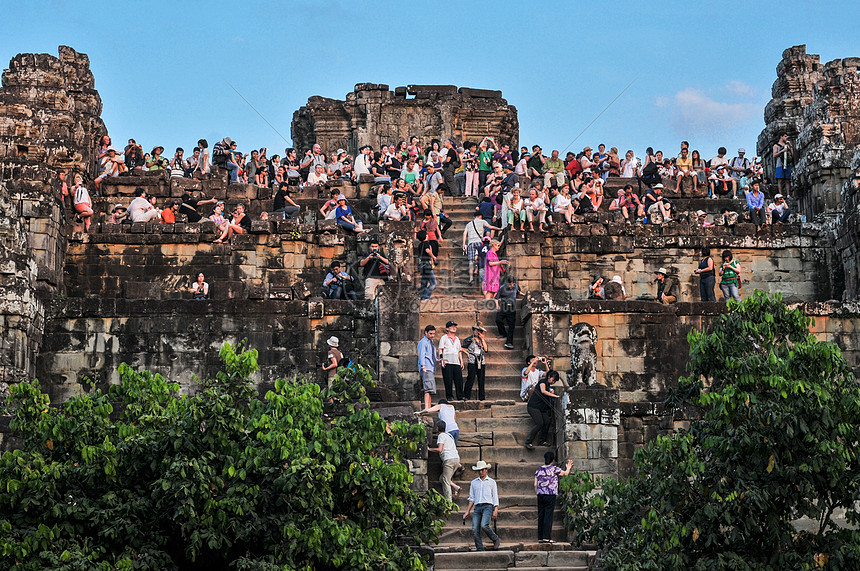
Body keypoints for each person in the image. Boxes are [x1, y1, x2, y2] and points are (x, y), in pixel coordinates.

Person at [534, 450, 574, 544]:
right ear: (552, 460)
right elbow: (565, 473)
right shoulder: (554, 469)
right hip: (550, 494)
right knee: (548, 516)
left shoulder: (538, 470)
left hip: (540, 495)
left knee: (541, 515)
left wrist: (538, 492)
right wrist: (568, 467)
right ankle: (546, 537)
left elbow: (535, 485)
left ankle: (540, 537)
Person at [462, 460, 500, 552]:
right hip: (478, 507)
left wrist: (496, 509)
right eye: (479, 470)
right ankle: (480, 548)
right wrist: (467, 511)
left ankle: (495, 538)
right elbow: (472, 498)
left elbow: (495, 496)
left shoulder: (491, 482)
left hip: (488, 506)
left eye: (482, 470)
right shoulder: (474, 483)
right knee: (475, 529)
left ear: (486, 470)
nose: (481, 472)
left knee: (484, 525)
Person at [525, 368, 561, 449]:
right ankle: (528, 442)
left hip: (542, 409)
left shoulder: (548, 386)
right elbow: (543, 391)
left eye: (555, 381)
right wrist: (555, 396)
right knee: (539, 423)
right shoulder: (542, 382)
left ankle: (542, 441)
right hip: (533, 407)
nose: (553, 382)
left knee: (547, 422)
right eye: (553, 380)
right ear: (549, 377)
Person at [429, 419, 462, 502]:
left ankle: (449, 503)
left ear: (437, 428)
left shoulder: (441, 436)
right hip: (456, 459)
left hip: (448, 460)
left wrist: (430, 449)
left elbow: (440, 449)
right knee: (442, 478)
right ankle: (456, 487)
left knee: (445, 481)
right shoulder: (449, 436)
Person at [463, 210, 498, 286]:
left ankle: (471, 278)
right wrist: (499, 229)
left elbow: (465, 234)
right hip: (479, 242)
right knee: (480, 257)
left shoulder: (469, 224)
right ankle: (477, 269)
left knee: (471, 261)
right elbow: (490, 227)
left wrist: (464, 244)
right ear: (480, 216)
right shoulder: (482, 221)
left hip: (470, 243)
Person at [438, 321, 465, 402]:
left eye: (455, 327)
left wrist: (461, 361)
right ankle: (449, 396)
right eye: (452, 327)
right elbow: (440, 349)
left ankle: (460, 395)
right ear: (447, 328)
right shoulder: (444, 338)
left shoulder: (457, 339)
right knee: (448, 380)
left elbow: (459, 351)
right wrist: (441, 359)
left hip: (456, 361)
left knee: (459, 380)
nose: (454, 328)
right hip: (447, 361)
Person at [495, 276, 523, 350]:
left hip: (512, 308)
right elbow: (496, 298)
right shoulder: (502, 288)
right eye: (509, 284)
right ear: (506, 283)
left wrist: (525, 295)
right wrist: (497, 306)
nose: (511, 286)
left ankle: (509, 342)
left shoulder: (516, 286)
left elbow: (518, 292)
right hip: (503, 307)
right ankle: (503, 333)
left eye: (512, 284)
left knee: (511, 326)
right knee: (498, 320)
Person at [462, 324, 488, 401]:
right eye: (476, 330)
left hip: (481, 361)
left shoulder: (482, 340)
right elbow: (461, 347)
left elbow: (486, 350)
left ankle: (482, 397)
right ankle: (466, 395)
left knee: (481, 380)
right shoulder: (469, 339)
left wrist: (483, 339)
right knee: (470, 378)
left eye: (479, 331)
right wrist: (467, 353)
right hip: (472, 361)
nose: (478, 332)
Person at [418, 325, 438, 409]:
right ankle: (426, 407)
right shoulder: (423, 342)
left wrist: (437, 360)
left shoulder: (431, 342)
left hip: (431, 366)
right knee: (428, 389)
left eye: (433, 333)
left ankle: (428, 407)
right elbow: (422, 354)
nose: (432, 335)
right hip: (427, 367)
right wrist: (423, 366)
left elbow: (431, 354)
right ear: (426, 332)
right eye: (430, 333)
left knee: (430, 389)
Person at [416, 229, 437, 300]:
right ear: (425, 236)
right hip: (427, 264)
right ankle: (426, 296)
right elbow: (427, 250)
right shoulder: (426, 243)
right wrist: (433, 257)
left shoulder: (420, 245)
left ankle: (422, 297)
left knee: (424, 282)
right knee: (433, 283)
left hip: (421, 265)